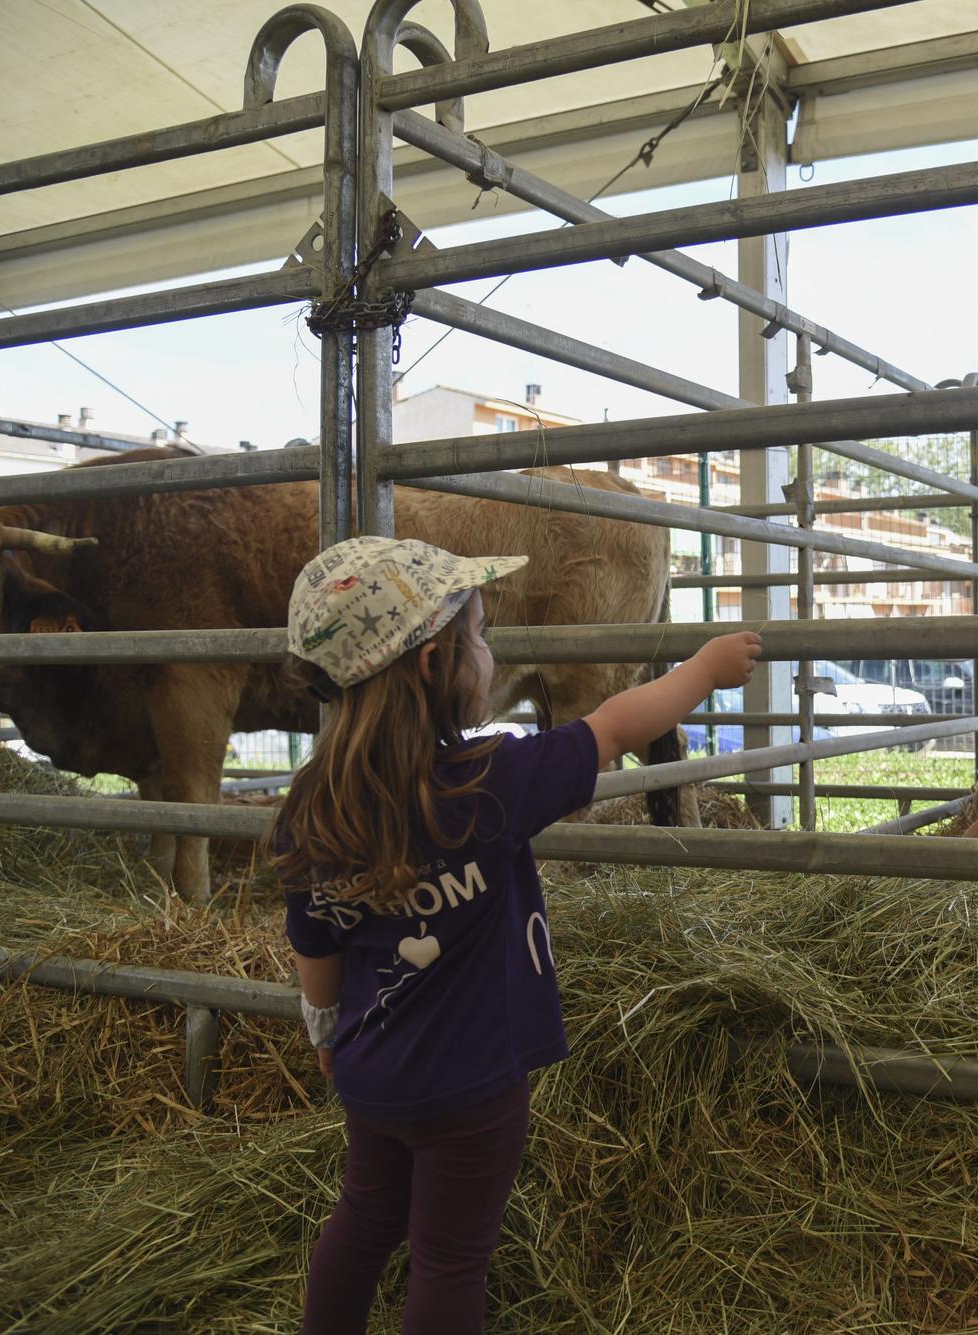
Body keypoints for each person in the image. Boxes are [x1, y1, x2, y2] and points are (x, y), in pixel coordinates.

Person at [271, 536, 761, 1334]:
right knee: (448, 1259)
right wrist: (703, 671)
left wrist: (327, 1033)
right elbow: (611, 725)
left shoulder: (311, 807)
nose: (488, 654)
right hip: (473, 1091)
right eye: (479, 637)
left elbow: (314, 943)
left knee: (362, 1221)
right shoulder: (489, 783)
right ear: (434, 665)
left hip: (370, 1072)